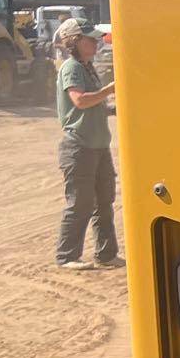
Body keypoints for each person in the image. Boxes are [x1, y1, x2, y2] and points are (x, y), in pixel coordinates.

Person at [53, 18, 121, 270]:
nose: (95, 42)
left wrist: (113, 108)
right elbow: (80, 101)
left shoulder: (86, 66)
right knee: (81, 203)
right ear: (74, 42)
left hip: (97, 145)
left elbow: (93, 107)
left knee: (104, 201)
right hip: (79, 146)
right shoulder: (72, 68)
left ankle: (106, 254)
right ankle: (67, 256)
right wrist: (112, 89)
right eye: (89, 38)